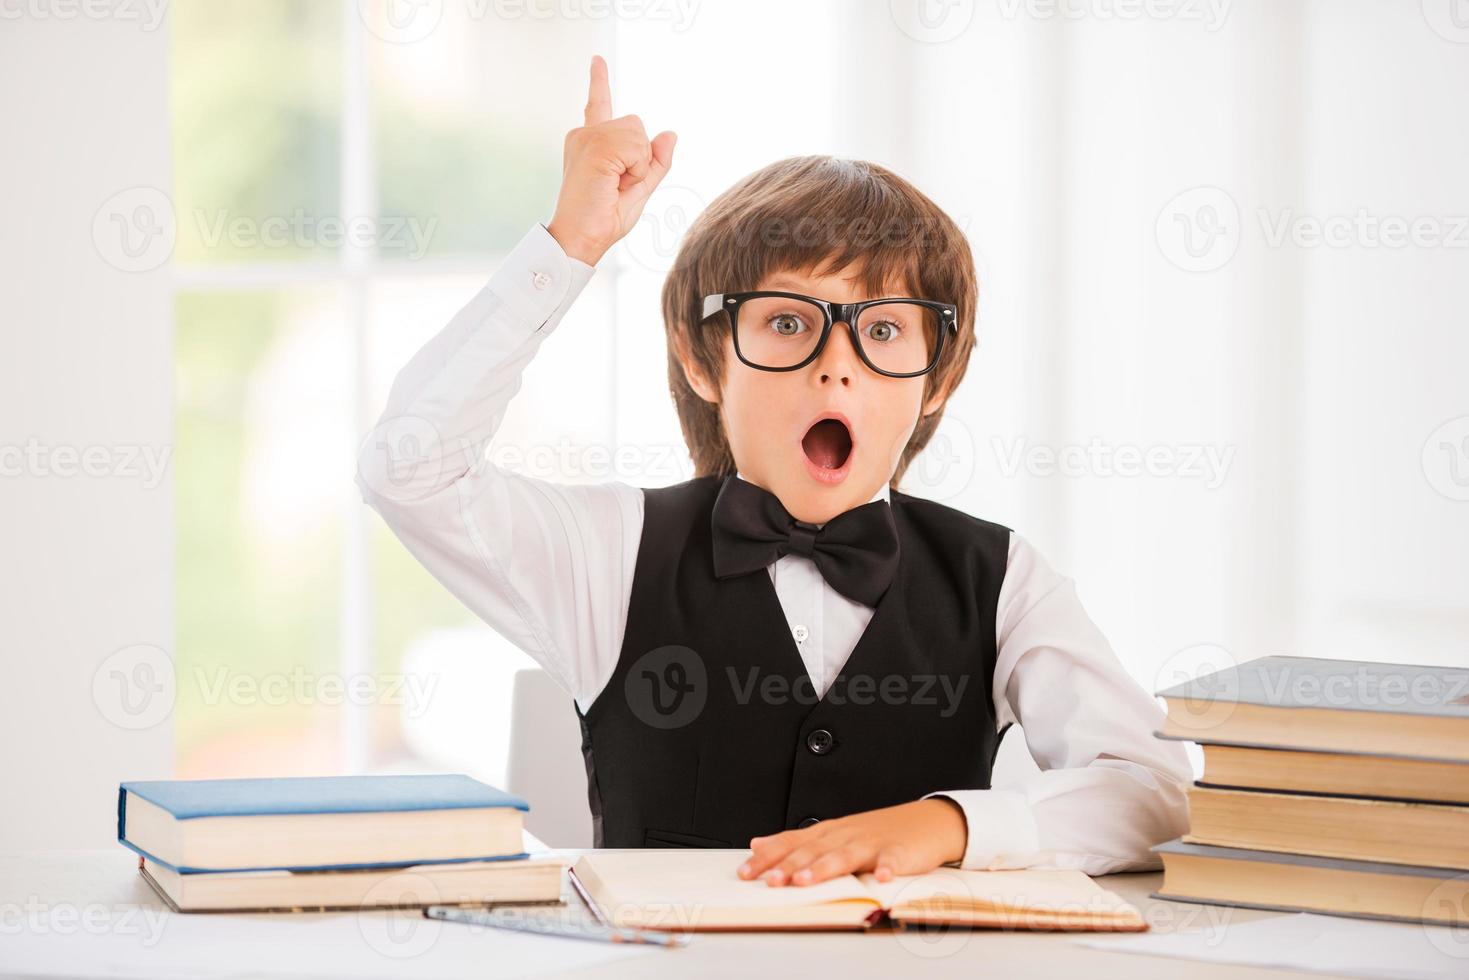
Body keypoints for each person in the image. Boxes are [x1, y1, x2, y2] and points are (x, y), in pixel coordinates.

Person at [357, 55, 1190, 888]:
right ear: (701, 357)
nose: (838, 368)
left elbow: (1155, 792)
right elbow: (409, 469)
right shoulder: (611, 552)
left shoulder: (1002, 578)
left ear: (938, 379)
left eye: (886, 329)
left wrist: (952, 823)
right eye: (789, 322)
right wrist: (566, 248)